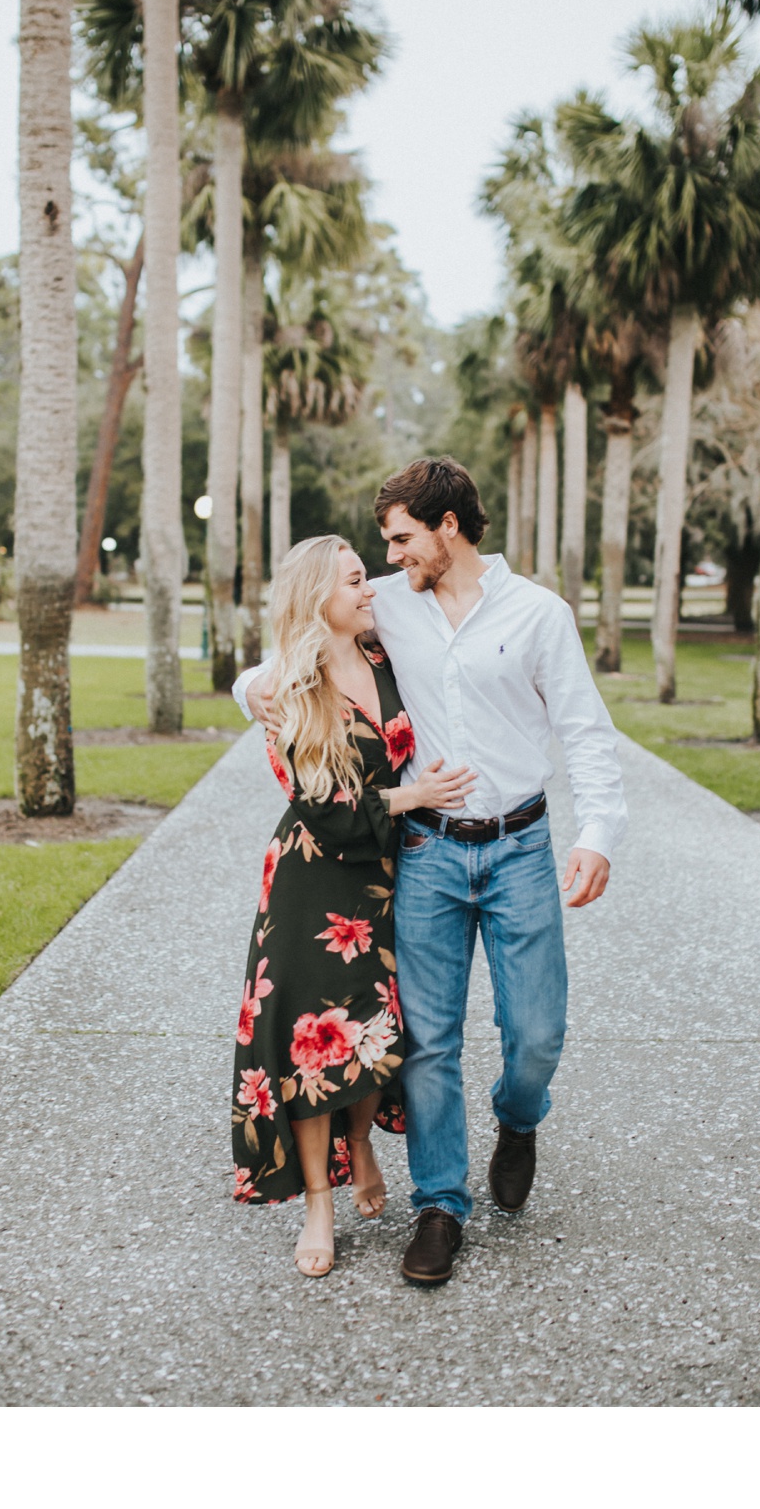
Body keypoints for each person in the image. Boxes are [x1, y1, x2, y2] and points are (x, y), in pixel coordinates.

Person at [237, 457, 626, 1288]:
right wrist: (251, 689)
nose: (392, 555)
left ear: (448, 526)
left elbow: (586, 730)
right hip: (427, 853)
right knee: (430, 1043)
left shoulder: (538, 615)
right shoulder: (389, 608)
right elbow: (302, 642)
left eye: (403, 537)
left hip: (521, 845)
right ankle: (440, 1205)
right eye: (385, 542)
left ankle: (519, 1120)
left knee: (535, 1035)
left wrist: (597, 833)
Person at [230, 535, 476, 1277]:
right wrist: (416, 796)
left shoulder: (383, 659)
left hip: (389, 876)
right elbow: (328, 809)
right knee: (315, 1047)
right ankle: (318, 1206)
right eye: (355, 579)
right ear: (318, 599)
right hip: (315, 886)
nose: (371, 589)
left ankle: (362, 1142)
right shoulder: (292, 691)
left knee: (380, 1029)